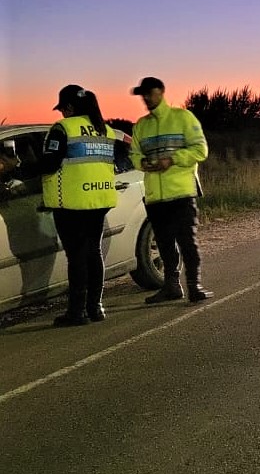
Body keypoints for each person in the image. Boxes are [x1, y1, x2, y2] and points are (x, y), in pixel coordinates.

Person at [40, 85, 118, 326]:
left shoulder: (64, 128)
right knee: (93, 253)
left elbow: (50, 164)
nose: (62, 113)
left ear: (70, 107)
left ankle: (77, 313)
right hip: (99, 200)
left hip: (72, 203)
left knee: (77, 258)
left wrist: (19, 169)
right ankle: (95, 308)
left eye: (63, 108)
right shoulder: (105, 130)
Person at [130, 76, 213, 304]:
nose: (146, 98)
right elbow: (134, 154)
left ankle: (194, 285)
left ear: (161, 92)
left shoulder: (183, 117)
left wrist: (172, 159)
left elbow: (200, 149)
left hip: (181, 193)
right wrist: (143, 164)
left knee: (187, 242)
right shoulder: (141, 125)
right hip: (156, 197)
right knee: (165, 244)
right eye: (142, 94)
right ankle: (171, 286)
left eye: (149, 93)